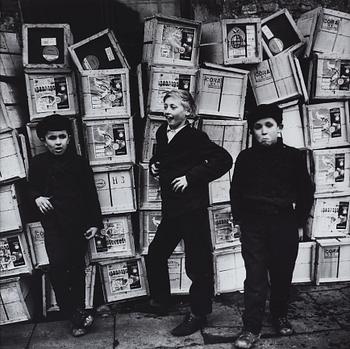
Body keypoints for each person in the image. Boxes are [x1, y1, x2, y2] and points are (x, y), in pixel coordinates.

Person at [145, 89, 233, 336]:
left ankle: (198, 314)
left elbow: (223, 159)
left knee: (198, 265)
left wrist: (191, 178)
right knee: (156, 254)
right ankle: (161, 301)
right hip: (173, 210)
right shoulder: (162, 132)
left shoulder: (196, 137)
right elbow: (162, 158)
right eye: (166, 107)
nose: (167, 112)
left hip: (193, 210)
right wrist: (155, 165)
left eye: (173, 107)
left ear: (188, 112)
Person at [230, 104, 315, 348]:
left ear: (280, 127)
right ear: (252, 132)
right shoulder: (245, 158)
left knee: (281, 274)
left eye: (269, 125)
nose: (264, 132)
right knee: (255, 277)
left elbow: (306, 192)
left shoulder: (293, 156)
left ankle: (279, 315)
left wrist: (299, 224)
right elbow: (236, 191)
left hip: (284, 222)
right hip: (254, 224)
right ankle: (251, 328)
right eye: (258, 127)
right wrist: (238, 222)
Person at [28, 114, 103, 337]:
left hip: (78, 224)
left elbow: (91, 194)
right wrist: (37, 197)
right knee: (58, 269)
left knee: (77, 270)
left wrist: (95, 223)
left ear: (69, 138)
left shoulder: (79, 162)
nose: (58, 142)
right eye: (52, 138)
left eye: (62, 136)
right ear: (44, 140)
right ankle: (73, 313)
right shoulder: (38, 163)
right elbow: (30, 187)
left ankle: (78, 316)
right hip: (54, 225)